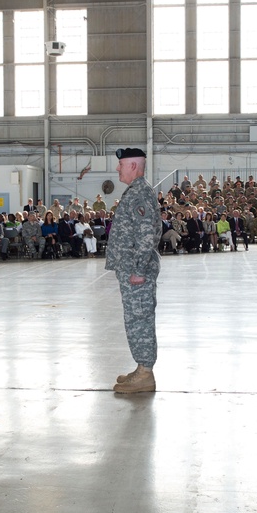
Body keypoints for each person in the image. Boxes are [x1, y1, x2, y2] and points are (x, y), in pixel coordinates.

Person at [106, 148, 162, 394]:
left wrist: (139, 269)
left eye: (121, 164)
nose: (117, 169)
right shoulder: (136, 192)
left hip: (137, 272)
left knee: (139, 319)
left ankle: (145, 374)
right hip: (131, 269)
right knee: (136, 319)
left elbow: (148, 234)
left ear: (133, 166)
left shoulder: (140, 194)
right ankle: (142, 368)